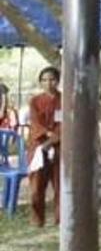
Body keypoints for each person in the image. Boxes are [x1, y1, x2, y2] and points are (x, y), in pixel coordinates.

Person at [26, 67, 62, 228]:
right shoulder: (34, 101)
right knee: (36, 186)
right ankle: (37, 220)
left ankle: (61, 218)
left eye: (52, 79)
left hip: (59, 146)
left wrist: (53, 139)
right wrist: (46, 136)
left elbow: (64, 124)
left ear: (58, 81)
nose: (48, 83)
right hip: (38, 147)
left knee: (60, 184)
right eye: (45, 80)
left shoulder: (64, 100)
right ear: (40, 82)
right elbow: (35, 123)